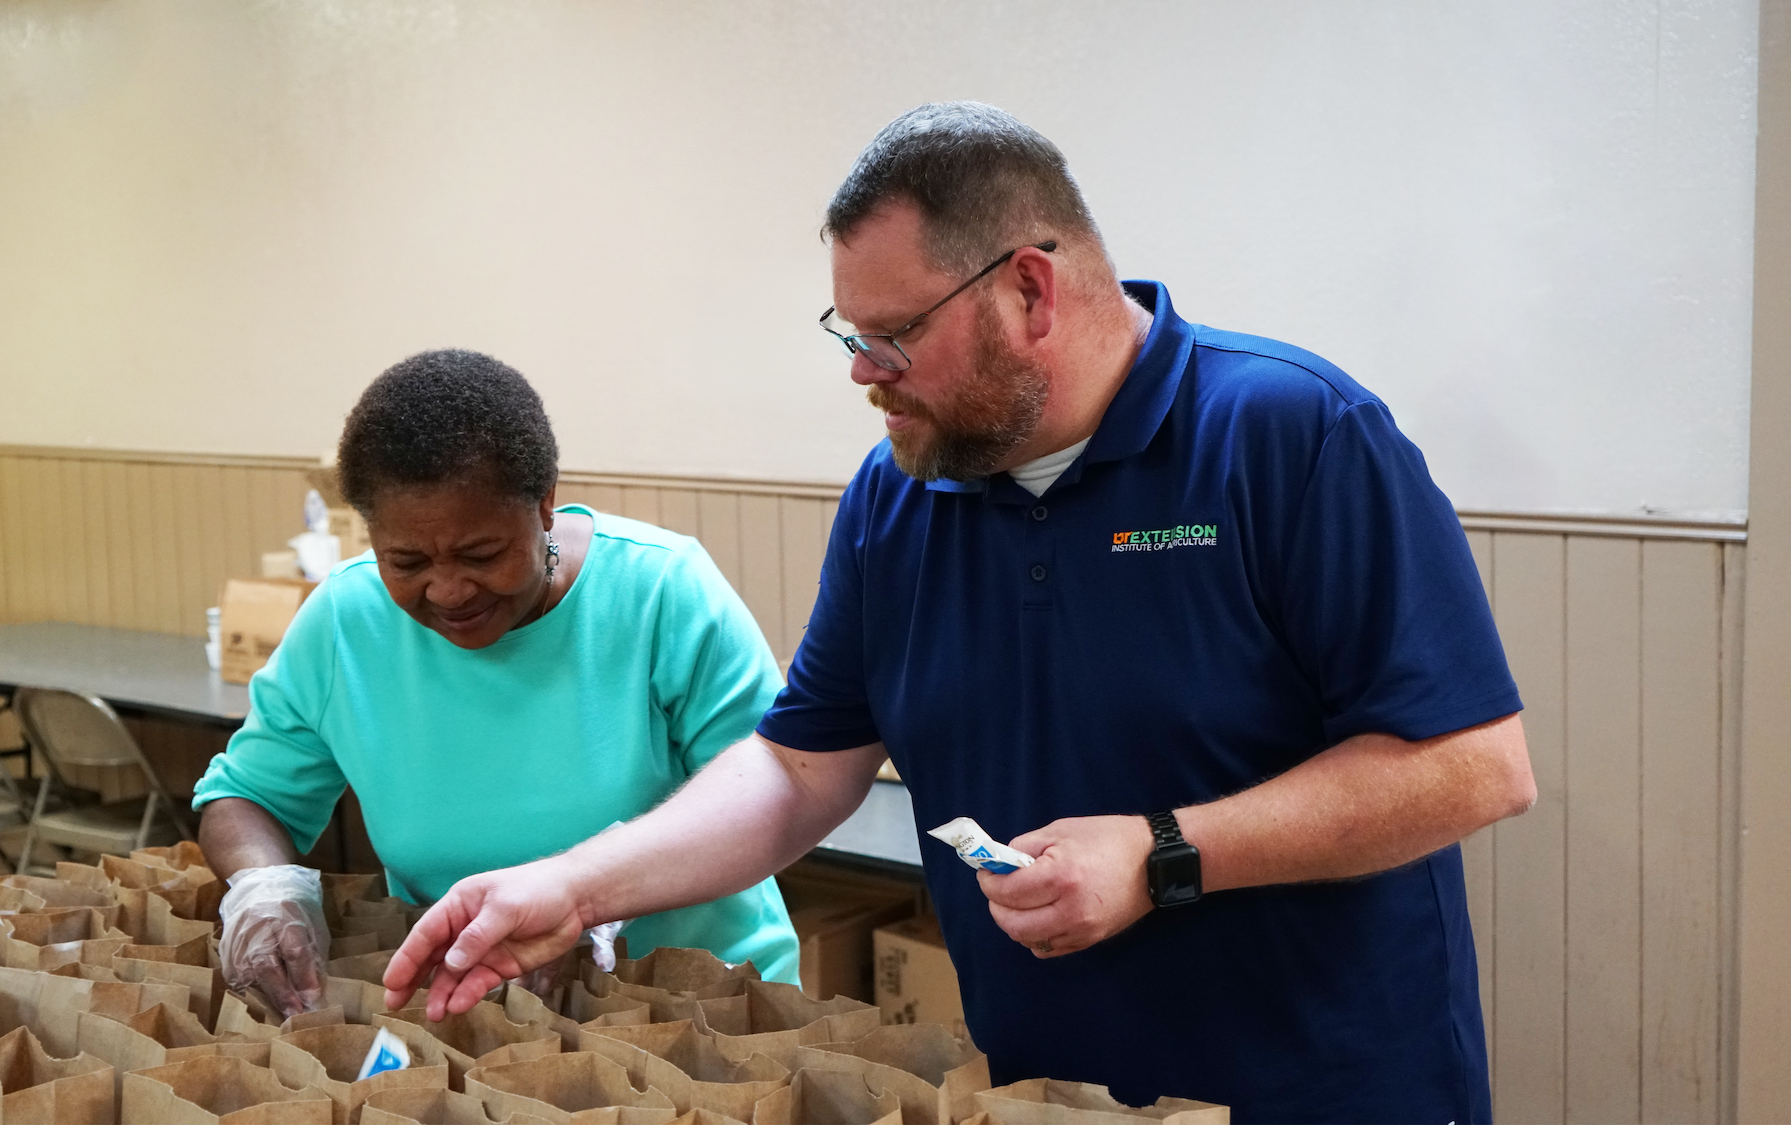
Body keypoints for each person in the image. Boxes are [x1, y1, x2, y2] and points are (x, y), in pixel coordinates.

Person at [382, 105, 1535, 1124]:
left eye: (890, 336)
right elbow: (797, 773)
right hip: (1042, 1085)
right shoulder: (899, 496)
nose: (861, 373)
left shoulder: (1287, 435)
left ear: (1028, 289)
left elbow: (1472, 767)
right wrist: (572, 886)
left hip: (1316, 1086)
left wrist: (1162, 853)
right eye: (847, 336)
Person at [195, 348, 801, 1015]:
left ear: (544, 506)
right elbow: (246, 797)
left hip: (698, 1006)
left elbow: (765, 801)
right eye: (407, 560)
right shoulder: (347, 621)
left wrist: (600, 895)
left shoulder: (662, 595)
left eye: (482, 554)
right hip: (470, 1015)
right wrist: (263, 887)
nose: (449, 589)